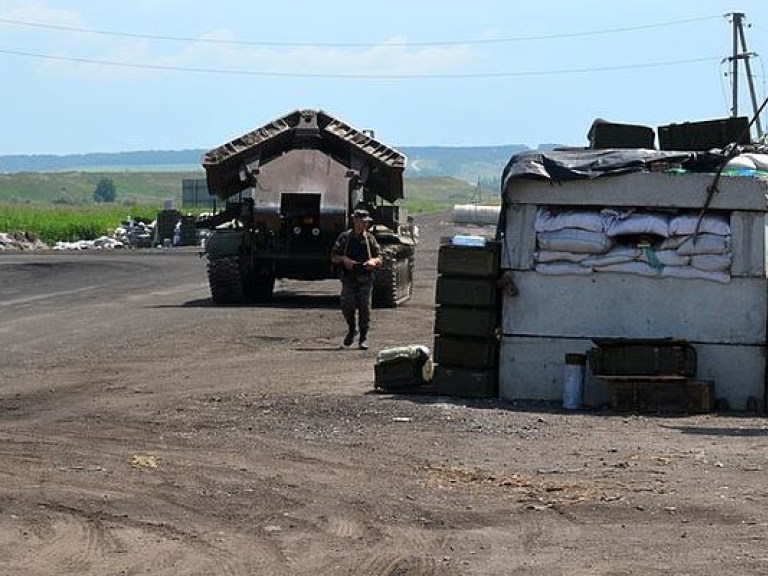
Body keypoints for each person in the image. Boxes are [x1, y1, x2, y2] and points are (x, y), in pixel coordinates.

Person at [330, 209, 383, 350]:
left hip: (365, 277)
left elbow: (380, 257)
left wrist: (373, 262)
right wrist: (344, 259)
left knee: (365, 308)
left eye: (365, 222)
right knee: (347, 305)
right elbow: (333, 256)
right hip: (349, 277)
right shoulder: (345, 238)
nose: (363, 225)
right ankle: (352, 329)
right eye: (361, 221)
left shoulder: (370, 239)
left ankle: (363, 337)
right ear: (354, 221)